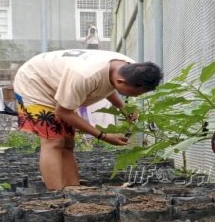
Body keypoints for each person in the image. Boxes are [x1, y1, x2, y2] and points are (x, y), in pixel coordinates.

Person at [13, 49, 162, 190]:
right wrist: (102, 136)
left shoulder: (129, 68)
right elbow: (63, 112)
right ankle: (55, 194)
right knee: (54, 141)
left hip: (60, 83)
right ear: (121, 82)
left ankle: (73, 189)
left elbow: (107, 85)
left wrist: (123, 108)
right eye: (134, 94)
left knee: (68, 142)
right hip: (35, 82)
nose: (135, 97)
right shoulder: (85, 76)